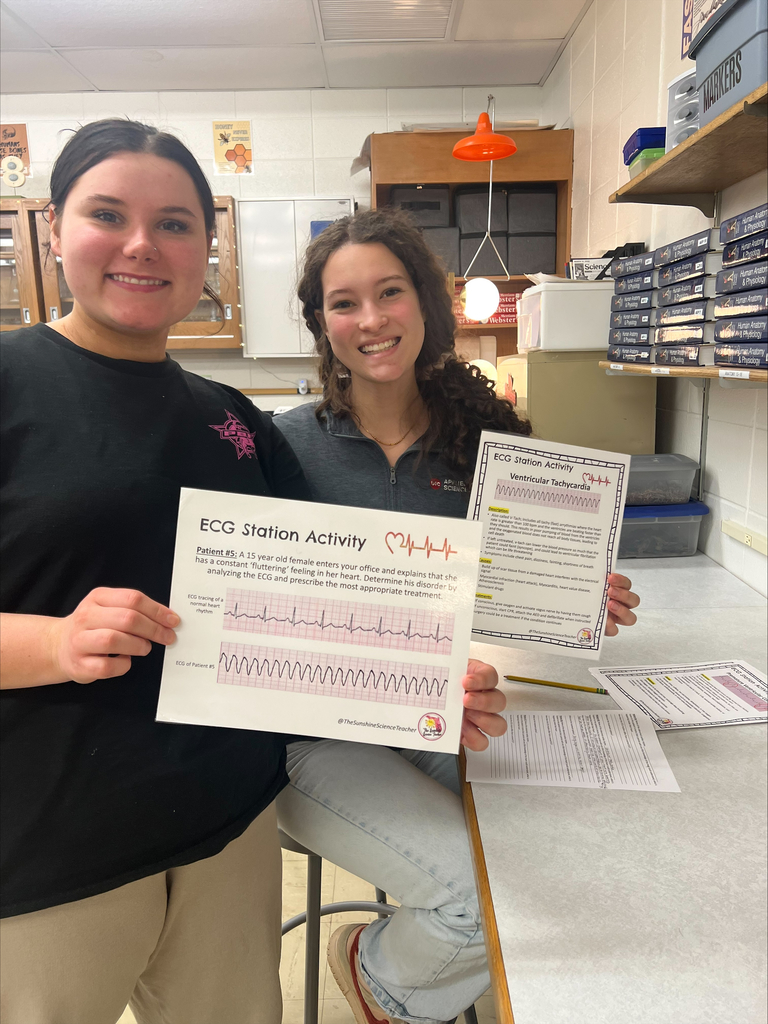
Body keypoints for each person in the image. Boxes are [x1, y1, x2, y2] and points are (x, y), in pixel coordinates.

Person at [274, 207, 641, 1024]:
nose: (370, 319)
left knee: (562, 852)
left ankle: (418, 972)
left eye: (390, 292)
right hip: (315, 736)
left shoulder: (482, 442)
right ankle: (383, 977)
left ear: (424, 304)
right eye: (343, 302)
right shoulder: (281, 447)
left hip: (442, 714)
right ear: (321, 323)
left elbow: (502, 596)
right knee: (483, 895)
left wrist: (574, 595)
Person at [0, 119, 310, 1024]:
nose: (142, 244)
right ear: (54, 233)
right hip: (50, 847)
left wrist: (447, 661)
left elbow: (322, 593)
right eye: (107, 214)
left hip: (225, 826)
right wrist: (55, 643)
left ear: (207, 248)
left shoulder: (233, 418)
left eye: (174, 224)